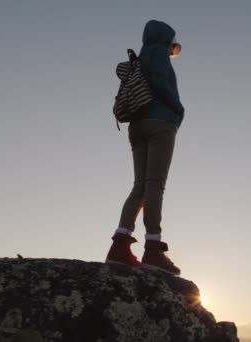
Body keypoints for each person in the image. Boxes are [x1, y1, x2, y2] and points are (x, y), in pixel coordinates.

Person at [105, 20, 184, 275]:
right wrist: (177, 107)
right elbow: (160, 81)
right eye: (172, 45)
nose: (173, 50)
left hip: (136, 126)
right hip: (160, 123)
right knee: (155, 184)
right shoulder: (158, 53)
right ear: (165, 40)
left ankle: (119, 246)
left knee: (139, 185)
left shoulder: (139, 59)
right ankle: (153, 249)